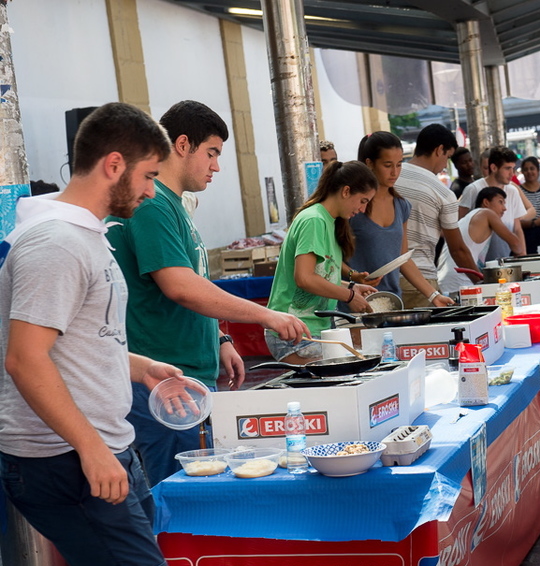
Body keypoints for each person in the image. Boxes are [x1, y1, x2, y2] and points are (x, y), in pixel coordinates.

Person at [0, 102, 178, 566]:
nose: (151, 192)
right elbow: (25, 359)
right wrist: (90, 447)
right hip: (65, 456)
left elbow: (79, 339)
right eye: (149, 176)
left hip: (98, 446)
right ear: (114, 164)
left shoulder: (84, 235)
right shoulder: (56, 242)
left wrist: (140, 367)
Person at [106, 101, 310, 485]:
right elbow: (180, 286)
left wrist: (219, 338)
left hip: (186, 377)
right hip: (165, 379)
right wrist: (266, 315)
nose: (216, 166)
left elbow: (192, 280)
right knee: (179, 497)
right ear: (183, 144)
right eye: (212, 153)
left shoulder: (173, 205)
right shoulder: (153, 205)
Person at [267, 161, 378, 361]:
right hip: (293, 331)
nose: (363, 209)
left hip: (313, 330)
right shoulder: (314, 220)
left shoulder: (330, 221)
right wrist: (349, 296)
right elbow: (304, 278)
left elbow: (321, 275)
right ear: (346, 191)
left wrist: (351, 286)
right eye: (363, 201)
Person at [349, 132, 453, 306]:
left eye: (399, 165)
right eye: (387, 165)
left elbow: (403, 258)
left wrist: (434, 296)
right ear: (370, 163)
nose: (394, 172)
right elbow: (331, 259)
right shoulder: (353, 206)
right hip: (353, 302)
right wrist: (352, 275)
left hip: (390, 301)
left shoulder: (401, 205)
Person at [395, 124, 479, 308]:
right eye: (447, 157)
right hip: (421, 281)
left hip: (385, 280)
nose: (444, 166)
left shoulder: (392, 176)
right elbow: (458, 250)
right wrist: (480, 281)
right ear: (439, 150)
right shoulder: (442, 192)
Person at [437, 187, 524, 294]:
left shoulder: (469, 218)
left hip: (445, 280)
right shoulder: (487, 213)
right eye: (500, 202)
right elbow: (516, 245)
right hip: (460, 281)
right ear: (486, 202)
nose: (504, 208)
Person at [458, 145, 532, 259]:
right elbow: (458, 225)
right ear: (493, 168)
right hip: (476, 262)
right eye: (507, 168)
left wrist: (523, 256)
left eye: (513, 168)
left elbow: (517, 228)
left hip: (505, 259)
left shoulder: (512, 191)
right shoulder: (473, 189)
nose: (512, 173)